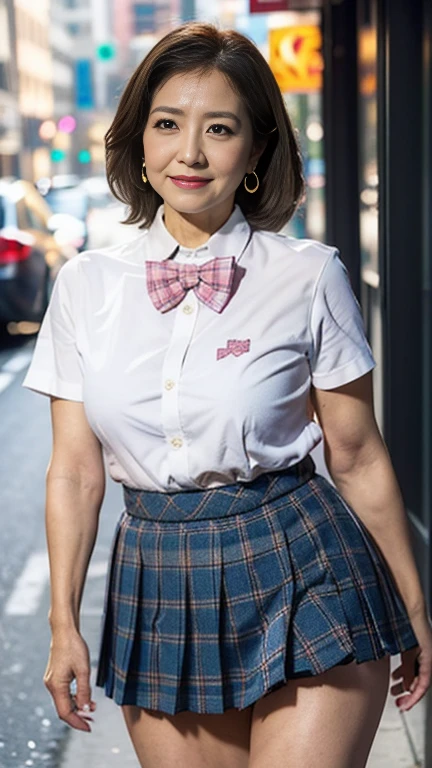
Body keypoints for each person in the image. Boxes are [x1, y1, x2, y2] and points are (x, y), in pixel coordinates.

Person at [22, 20, 432, 768]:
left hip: (306, 560)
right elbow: (75, 473)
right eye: (168, 124)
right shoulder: (85, 286)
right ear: (138, 141)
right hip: (159, 572)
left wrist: (412, 604)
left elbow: (358, 454)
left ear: (254, 150)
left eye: (220, 128)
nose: (191, 152)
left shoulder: (310, 274)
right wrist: (62, 622)